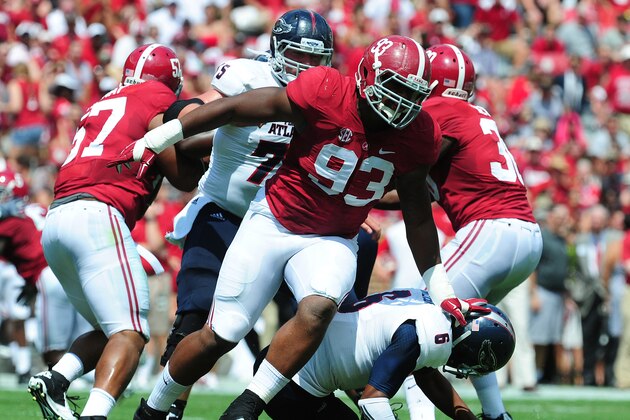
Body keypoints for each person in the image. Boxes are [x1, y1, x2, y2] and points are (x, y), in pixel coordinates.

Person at [121, 35, 484, 420]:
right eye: (393, 89)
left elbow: (417, 215)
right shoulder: (325, 88)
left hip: (332, 238)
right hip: (274, 220)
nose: (401, 105)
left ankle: (247, 405)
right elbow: (239, 107)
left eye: (411, 95)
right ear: (367, 76)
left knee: (320, 306)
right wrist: (168, 133)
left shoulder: (420, 132)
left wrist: (441, 288)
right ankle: (154, 407)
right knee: (221, 333)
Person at [153, 9, 336, 419]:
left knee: (315, 315)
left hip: (282, 225)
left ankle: (307, 400)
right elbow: (198, 116)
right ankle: (168, 408)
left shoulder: (327, 97)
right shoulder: (246, 77)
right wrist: (180, 126)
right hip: (225, 211)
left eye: (315, 58)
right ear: (275, 50)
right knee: (197, 313)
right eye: (297, 56)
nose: (305, 67)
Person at [27, 43, 204, 420]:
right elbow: (183, 174)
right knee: (131, 333)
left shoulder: (104, 100)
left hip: (58, 219)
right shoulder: (156, 96)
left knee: (111, 331)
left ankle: (57, 379)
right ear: (170, 80)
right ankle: (94, 415)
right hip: (98, 214)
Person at [384, 44, 543, 420]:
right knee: (468, 327)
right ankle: (495, 414)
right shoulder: (475, 115)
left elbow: (405, 173)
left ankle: (422, 417)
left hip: (490, 230)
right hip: (525, 235)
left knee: (416, 321)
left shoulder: (440, 110)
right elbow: (412, 191)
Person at [258, 289, 515, 420]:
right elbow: (372, 402)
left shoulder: (430, 311)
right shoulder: (425, 334)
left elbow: (426, 374)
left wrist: (465, 416)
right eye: (480, 359)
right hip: (289, 382)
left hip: (286, 361)